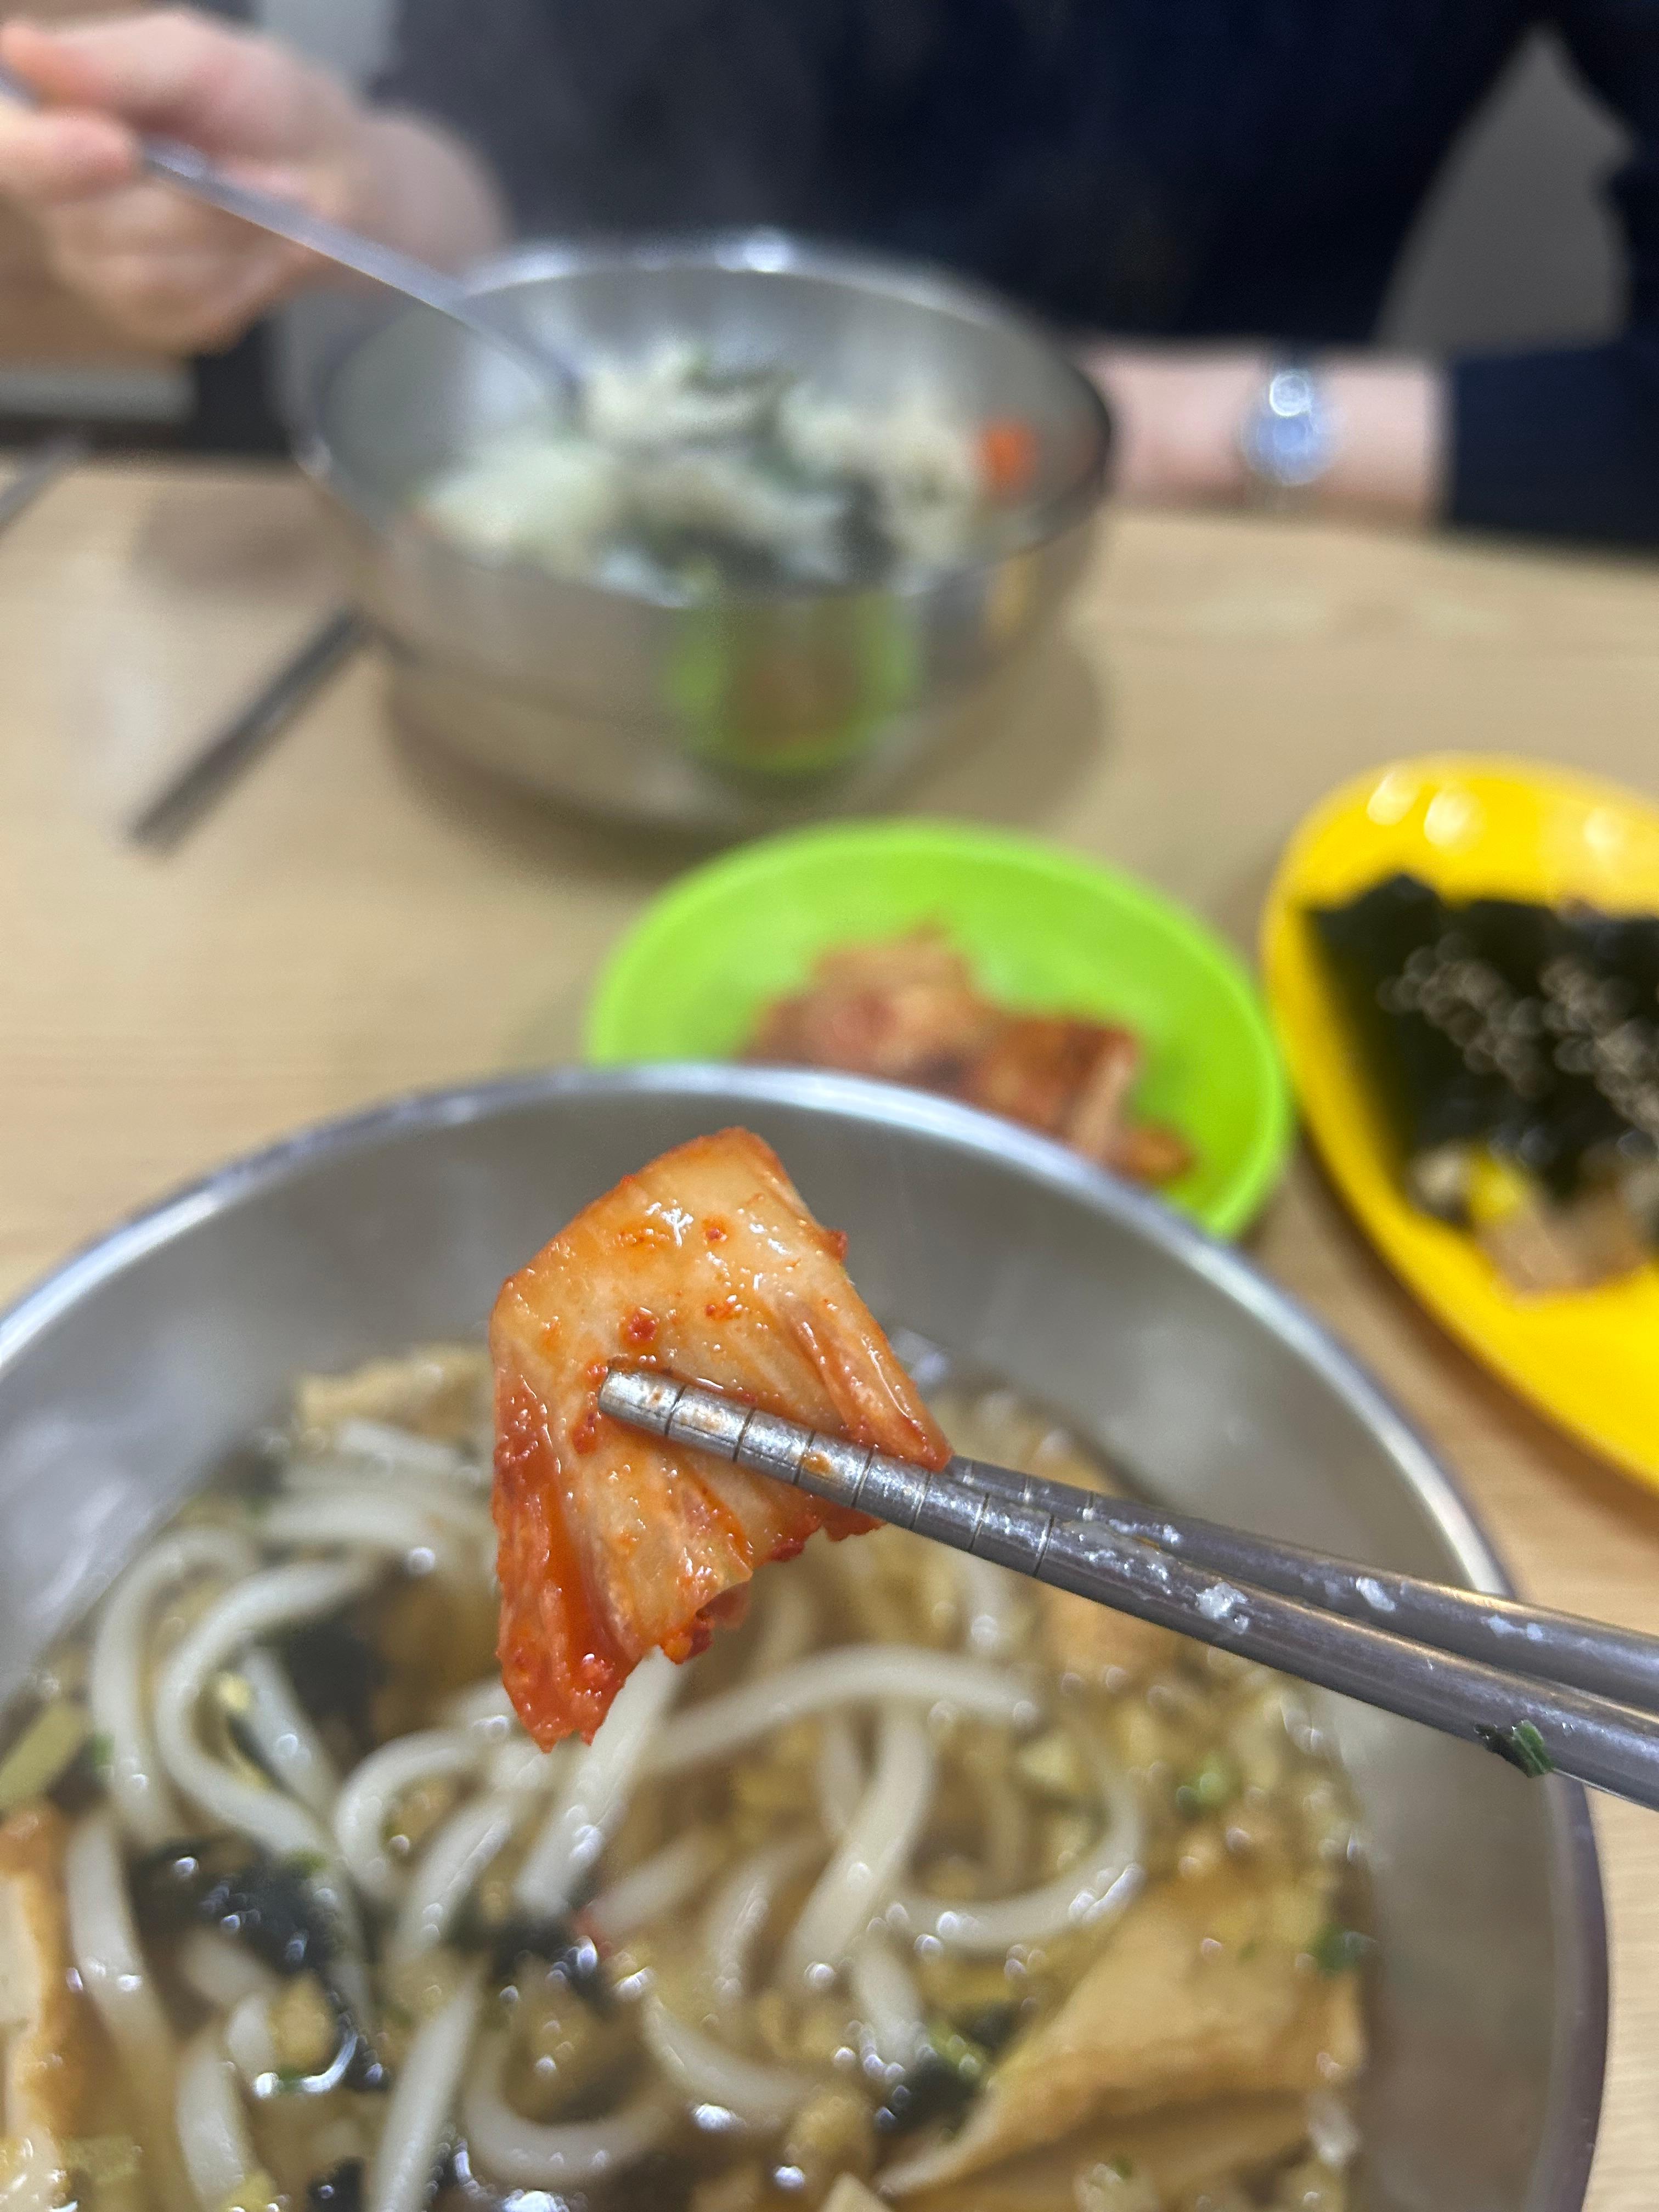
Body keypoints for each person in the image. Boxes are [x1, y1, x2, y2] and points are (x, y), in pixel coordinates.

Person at [0, 3, 1651, 542]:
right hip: (627, 591)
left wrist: (1187, 426)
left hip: (1251, 559)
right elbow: (515, 159)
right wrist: (351, 189)